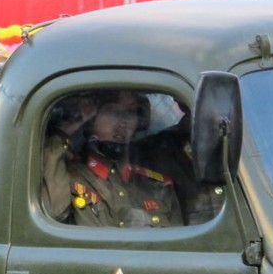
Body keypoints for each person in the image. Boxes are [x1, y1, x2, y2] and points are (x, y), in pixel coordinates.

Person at [42, 98, 184, 228]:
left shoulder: (158, 186)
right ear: (91, 118)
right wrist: (62, 135)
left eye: (130, 113)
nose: (122, 123)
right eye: (111, 111)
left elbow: (178, 246)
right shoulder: (70, 176)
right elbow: (54, 212)